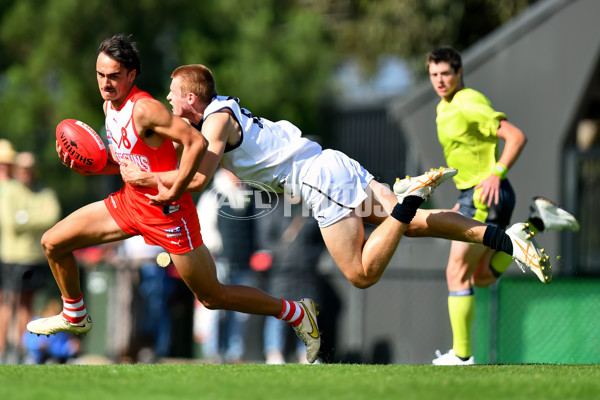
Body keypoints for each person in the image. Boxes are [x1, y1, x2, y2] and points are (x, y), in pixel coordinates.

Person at [119, 64, 552, 318]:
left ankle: (407, 201)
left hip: (318, 182)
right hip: (331, 161)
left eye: (175, 97)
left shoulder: (213, 122)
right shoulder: (215, 110)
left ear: (193, 99)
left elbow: (196, 180)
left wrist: (147, 182)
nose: (170, 104)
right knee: (417, 227)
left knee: (361, 274)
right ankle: (505, 239)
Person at [25, 34, 322, 364]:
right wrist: (88, 166)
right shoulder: (110, 105)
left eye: (113, 76)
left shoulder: (146, 109)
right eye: (100, 75)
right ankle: (75, 314)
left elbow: (195, 142)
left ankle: (295, 312)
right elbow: (127, 163)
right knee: (53, 242)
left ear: (131, 75)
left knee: (212, 296)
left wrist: (174, 188)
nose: (105, 84)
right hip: (129, 204)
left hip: (168, 214)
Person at [425, 46, 580, 365]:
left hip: (485, 197)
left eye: (445, 74)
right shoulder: (444, 107)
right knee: (479, 277)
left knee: (456, 272)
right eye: (434, 75)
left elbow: (516, 136)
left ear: (459, 73)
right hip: (475, 196)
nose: (440, 81)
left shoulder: (469, 102)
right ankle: (535, 222)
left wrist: (495, 174)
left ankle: (463, 356)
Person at [0, 151, 61, 364]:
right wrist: (35, 219)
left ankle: (22, 349)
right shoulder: (9, 191)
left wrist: (25, 218)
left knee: (27, 305)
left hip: (34, 257)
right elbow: (11, 222)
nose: (26, 173)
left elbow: (52, 216)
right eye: (23, 168)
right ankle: (2, 352)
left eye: (29, 169)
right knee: (7, 305)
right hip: (11, 257)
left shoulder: (44, 192)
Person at [194, 168, 258, 363]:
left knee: (241, 312)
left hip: (243, 261)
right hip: (220, 260)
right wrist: (216, 251)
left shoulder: (250, 197)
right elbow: (205, 227)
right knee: (215, 310)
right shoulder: (213, 196)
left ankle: (234, 352)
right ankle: (212, 352)